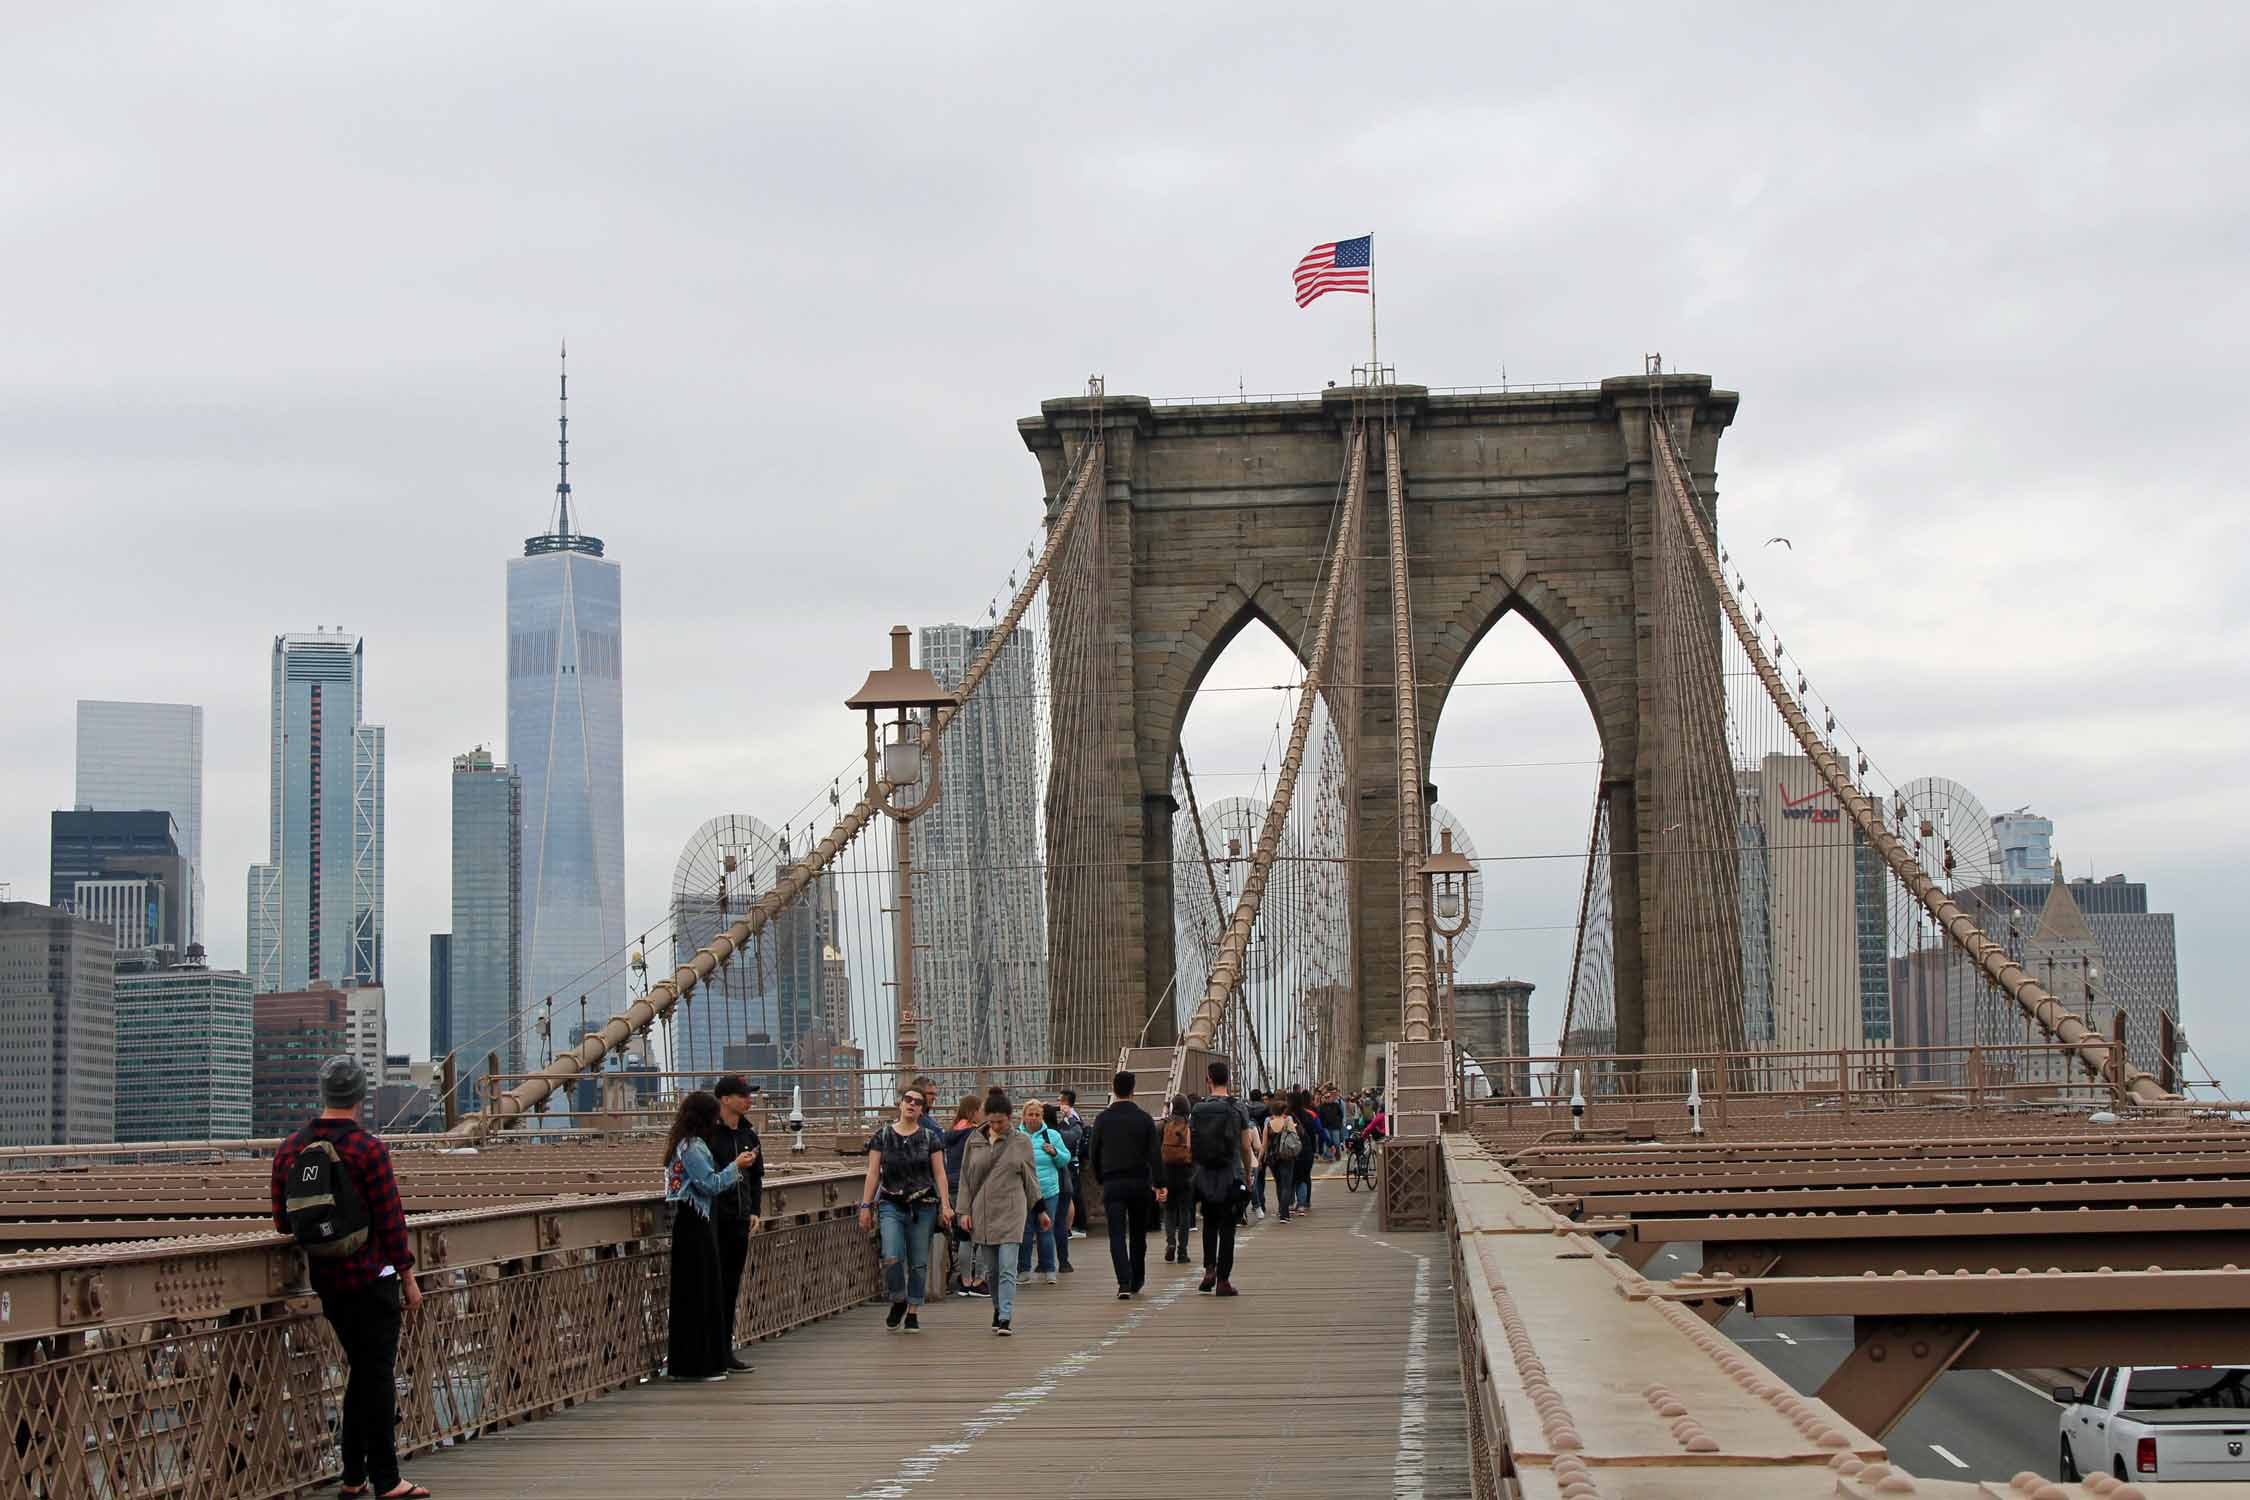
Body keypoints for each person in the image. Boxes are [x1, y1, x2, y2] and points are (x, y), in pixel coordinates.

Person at [270, 1056, 429, 1500]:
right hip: (373, 1278)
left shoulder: (290, 1149)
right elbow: (390, 1220)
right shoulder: (368, 1149)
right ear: (361, 1096)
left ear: (324, 1094)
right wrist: (409, 1277)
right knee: (376, 1374)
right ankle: (387, 1479)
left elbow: (284, 1223)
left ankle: (353, 1474)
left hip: (328, 1279)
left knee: (363, 1371)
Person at [663, 1090, 759, 1381]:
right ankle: (699, 1365)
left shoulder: (688, 1144)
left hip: (693, 1223)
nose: (718, 1116)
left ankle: (691, 1363)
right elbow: (709, 1184)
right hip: (696, 1225)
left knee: (694, 1295)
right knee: (701, 1294)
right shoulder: (692, 1146)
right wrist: (736, 1168)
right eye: (714, 1111)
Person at [856, 1081, 954, 1333]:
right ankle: (898, 1298)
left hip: (924, 1205)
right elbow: (872, 1173)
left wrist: (946, 1205)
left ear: (922, 1110)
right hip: (891, 1202)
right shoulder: (883, 1136)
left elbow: (940, 1174)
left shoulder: (930, 1138)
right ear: (900, 1104)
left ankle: (913, 1311)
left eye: (918, 1102)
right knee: (891, 1255)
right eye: (908, 1100)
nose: (912, 1104)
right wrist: (866, 1205)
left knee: (919, 1262)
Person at [958, 1089, 1047, 1336]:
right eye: (992, 1121)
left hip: (1011, 1210)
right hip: (983, 1212)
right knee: (993, 1270)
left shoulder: (1021, 1142)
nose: (996, 1126)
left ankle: (1006, 1316)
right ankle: (998, 1308)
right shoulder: (974, 1141)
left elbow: (1031, 1178)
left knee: (1008, 1266)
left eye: (1001, 1121)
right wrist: (963, 1211)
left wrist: (1040, 1210)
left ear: (1010, 1117)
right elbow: (966, 1179)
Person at [1087, 1070, 1163, 1298]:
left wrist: (1102, 1177)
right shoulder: (1144, 1119)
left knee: (1117, 1234)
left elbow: (1093, 1153)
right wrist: (1160, 1183)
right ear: (1133, 1090)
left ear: (1113, 1088)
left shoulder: (1102, 1119)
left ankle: (1123, 1282)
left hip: (1113, 1182)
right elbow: (1154, 1155)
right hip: (1139, 1182)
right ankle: (1138, 1278)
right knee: (1138, 1233)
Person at [706, 1075, 765, 1372]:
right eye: (742, 1095)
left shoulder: (749, 1136)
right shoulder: (707, 1136)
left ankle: (725, 1352)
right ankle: (711, 1352)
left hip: (740, 1221)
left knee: (730, 1287)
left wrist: (755, 1209)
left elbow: (757, 1178)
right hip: (713, 1222)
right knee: (712, 1287)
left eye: (749, 1094)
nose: (748, 1099)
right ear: (725, 1099)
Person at [1188, 1059, 1260, 1296]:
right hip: (1230, 1173)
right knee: (1228, 1226)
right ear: (1228, 1079)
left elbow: (1190, 1145)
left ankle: (1209, 1268)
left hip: (1206, 1174)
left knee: (1209, 1223)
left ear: (1208, 1080)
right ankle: (1223, 1281)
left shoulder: (1197, 1109)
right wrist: (1248, 1174)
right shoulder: (1237, 1107)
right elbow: (1245, 1146)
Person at [1017, 1097, 1071, 1283]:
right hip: (1023, 1191)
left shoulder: (1052, 1135)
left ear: (1042, 1117)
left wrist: (1054, 1152)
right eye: (1030, 1115)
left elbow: (1065, 1159)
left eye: (1037, 1115)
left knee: (1045, 1229)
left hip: (1048, 1190)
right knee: (1024, 1231)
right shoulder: (1016, 1136)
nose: (1033, 1118)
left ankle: (1049, 1269)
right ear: (1023, 1117)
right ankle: (1023, 1269)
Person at [943, 1094, 988, 1296]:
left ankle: (965, 1280)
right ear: (973, 1111)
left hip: (952, 1187)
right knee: (981, 1236)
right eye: (981, 1110)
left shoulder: (950, 1133)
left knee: (963, 1236)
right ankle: (978, 1281)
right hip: (971, 1187)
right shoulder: (975, 1134)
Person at [1158, 1094, 1197, 1263]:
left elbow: (1155, 1151)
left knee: (1169, 1210)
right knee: (1185, 1212)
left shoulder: (1163, 1126)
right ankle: (1183, 1251)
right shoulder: (1190, 1127)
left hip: (1167, 1172)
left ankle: (1170, 1243)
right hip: (1186, 1173)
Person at [1053, 1089, 1089, 1244]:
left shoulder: (1071, 1117)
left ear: (1065, 1101)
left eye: (1059, 1099)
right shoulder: (1073, 1116)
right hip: (1073, 1159)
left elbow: (1074, 1137)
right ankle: (1077, 1225)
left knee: (1073, 1193)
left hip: (1072, 1160)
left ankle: (1078, 1225)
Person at [1263, 1091, 1304, 1223]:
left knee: (1279, 1184)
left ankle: (1281, 1209)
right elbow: (1294, 1136)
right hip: (1286, 1156)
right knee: (1287, 1184)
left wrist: (1259, 1160)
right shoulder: (1288, 1120)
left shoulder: (1268, 1123)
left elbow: (1264, 1144)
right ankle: (1284, 1214)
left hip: (1273, 1158)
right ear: (1283, 1110)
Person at [1245, 1089, 1271, 1218]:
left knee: (1248, 1180)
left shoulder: (1246, 1109)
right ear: (1261, 1098)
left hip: (1246, 1149)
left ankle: (1248, 1208)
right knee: (1260, 1177)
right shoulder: (1266, 1109)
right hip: (1261, 1145)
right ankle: (1261, 1202)